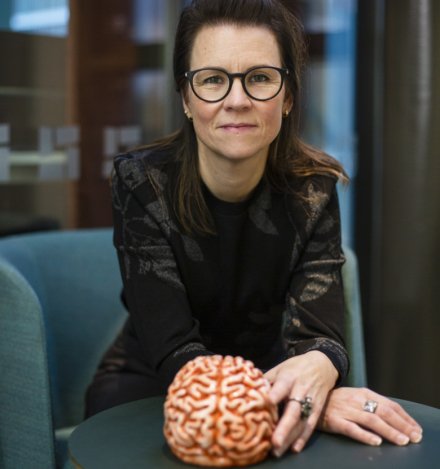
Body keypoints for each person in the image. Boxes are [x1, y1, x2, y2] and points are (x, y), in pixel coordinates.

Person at [86, 0, 422, 457]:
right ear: (186, 99)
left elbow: (320, 338)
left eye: (260, 78)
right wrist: (302, 404)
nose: (237, 100)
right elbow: (172, 346)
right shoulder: (140, 182)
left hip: (277, 380)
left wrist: (319, 371)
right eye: (212, 80)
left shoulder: (313, 188)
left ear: (287, 97)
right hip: (157, 384)